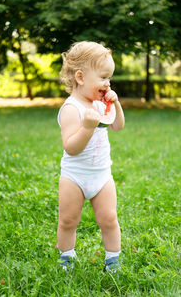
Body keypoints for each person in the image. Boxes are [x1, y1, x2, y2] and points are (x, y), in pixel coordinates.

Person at [57, 41, 125, 272]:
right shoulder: (71, 108)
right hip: (74, 176)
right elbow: (71, 147)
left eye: (110, 79)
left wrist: (115, 104)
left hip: (102, 175)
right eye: (104, 77)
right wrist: (86, 128)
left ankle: (113, 260)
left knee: (109, 219)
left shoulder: (101, 103)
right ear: (80, 77)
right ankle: (66, 256)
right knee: (68, 221)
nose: (108, 83)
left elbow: (117, 126)